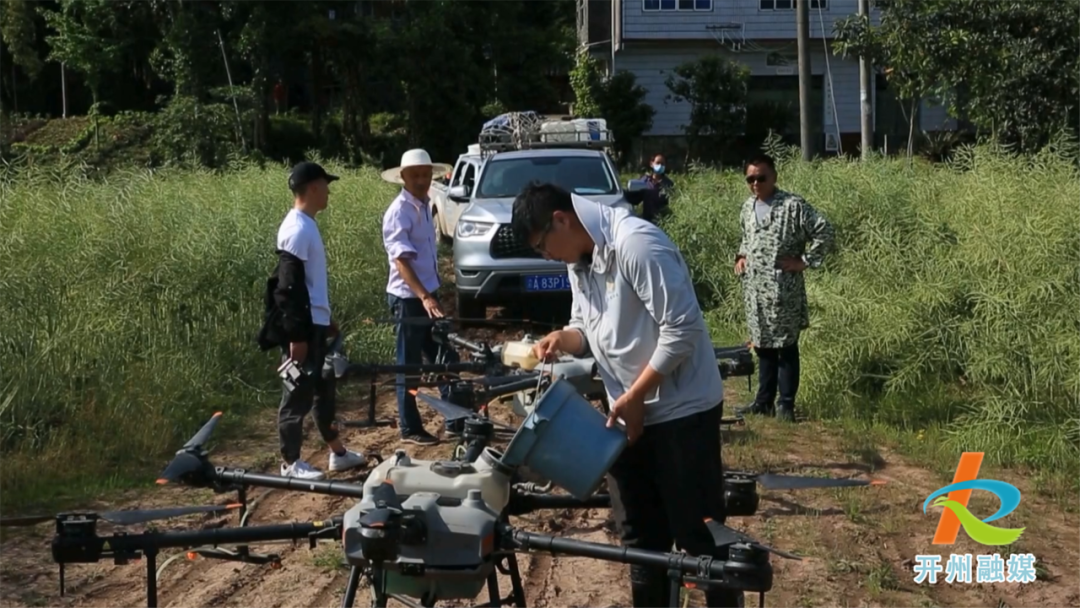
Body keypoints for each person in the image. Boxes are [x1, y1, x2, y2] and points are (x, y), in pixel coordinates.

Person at [512, 182, 743, 608]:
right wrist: (564, 337)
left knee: (699, 533)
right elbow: (586, 328)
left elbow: (683, 330)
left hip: (681, 410)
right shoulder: (578, 259)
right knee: (638, 536)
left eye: (544, 246)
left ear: (561, 220)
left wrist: (637, 394)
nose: (547, 257)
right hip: (626, 411)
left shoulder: (636, 244)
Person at [259, 161, 367, 480]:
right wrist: (296, 337)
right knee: (296, 395)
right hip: (302, 330)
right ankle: (290, 463)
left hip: (315, 325)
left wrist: (326, 317)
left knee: (323, 390)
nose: (329, 191)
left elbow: (308, 285)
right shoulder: (296, 228)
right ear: (314, 187)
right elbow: (287, 289)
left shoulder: (307, 224)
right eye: (326, 184)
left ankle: (338, 453)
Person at [733, 153, 834, 423]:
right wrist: (742, 257)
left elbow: (825, 231)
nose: (756, 183)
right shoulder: (747, 207)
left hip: (783, 290)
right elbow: (746, 237)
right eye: (750, 178)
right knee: (763, 345)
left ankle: (785, 405)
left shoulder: (793, 205)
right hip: (755, 291)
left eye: (761, 177)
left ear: (774, 177)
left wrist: (804, 261)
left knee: (786, 347)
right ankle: (763, 401)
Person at [380, 149, 460, 446]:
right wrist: (425, 296)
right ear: (403, 177)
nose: (422, 180)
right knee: (409, 365)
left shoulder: (425, 205)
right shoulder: (398, 212)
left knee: (445, 357)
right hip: (409, 299)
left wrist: (432, 293)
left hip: (428, 294)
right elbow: (402, 262)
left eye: (426, 175)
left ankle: (455, 417)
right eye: (415, 175)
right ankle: (410, 427)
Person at [636, 154, 675, 222]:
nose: (660, 166)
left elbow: (672, 203)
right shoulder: (644, 181)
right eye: (658, 163)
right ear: (651, 164)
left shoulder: (668, 184)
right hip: (643, 220)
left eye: (662, 164)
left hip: (661, 221)